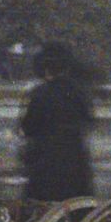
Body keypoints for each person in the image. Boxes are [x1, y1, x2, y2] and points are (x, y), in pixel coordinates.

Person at [20, 43, 95, 202]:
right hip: (75, 162)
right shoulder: (79, 92)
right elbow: (88, 120)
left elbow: (28, 127)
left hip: (45, 163)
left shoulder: (38, 94)